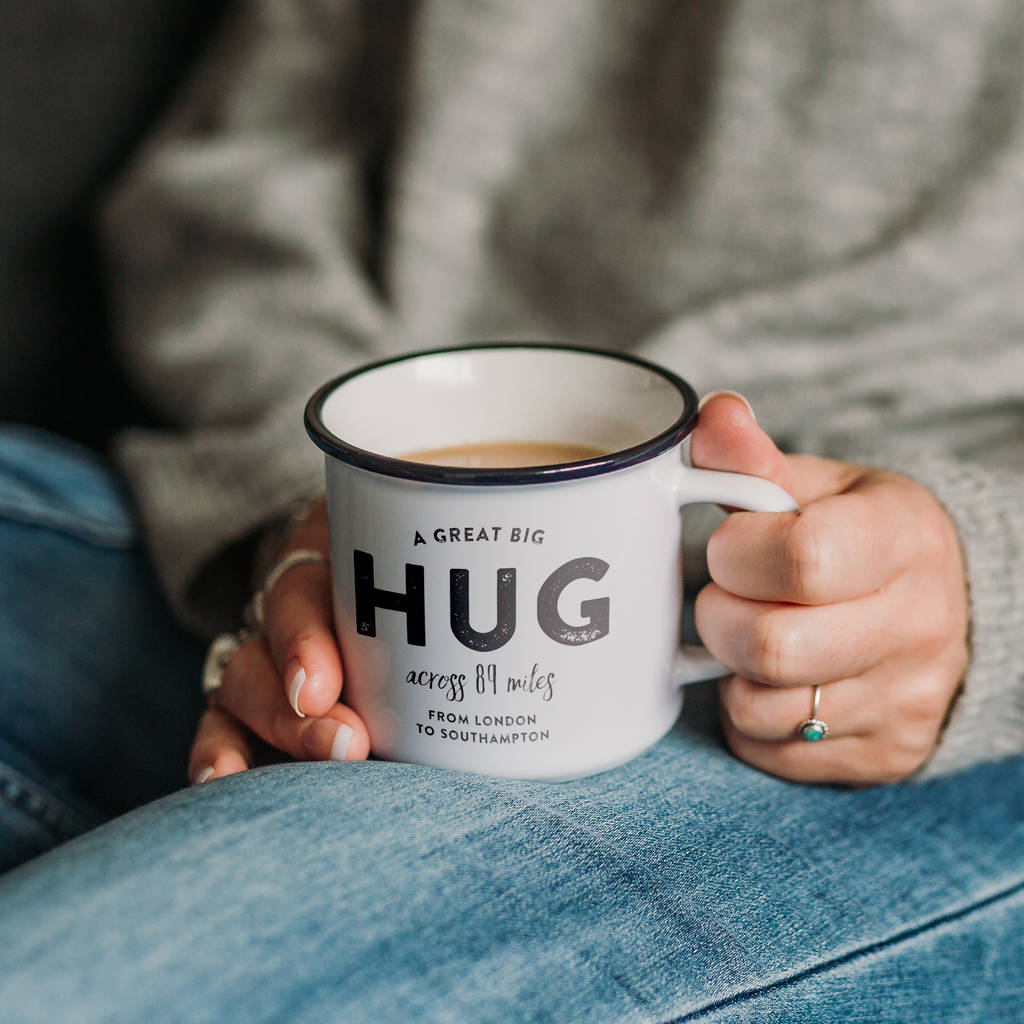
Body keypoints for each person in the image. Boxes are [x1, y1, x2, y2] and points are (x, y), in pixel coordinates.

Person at [1, 1, 1022, 1019]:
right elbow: (231, 188)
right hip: (319, 556)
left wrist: (988, 593)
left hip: (874, 717)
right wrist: (310, 503)